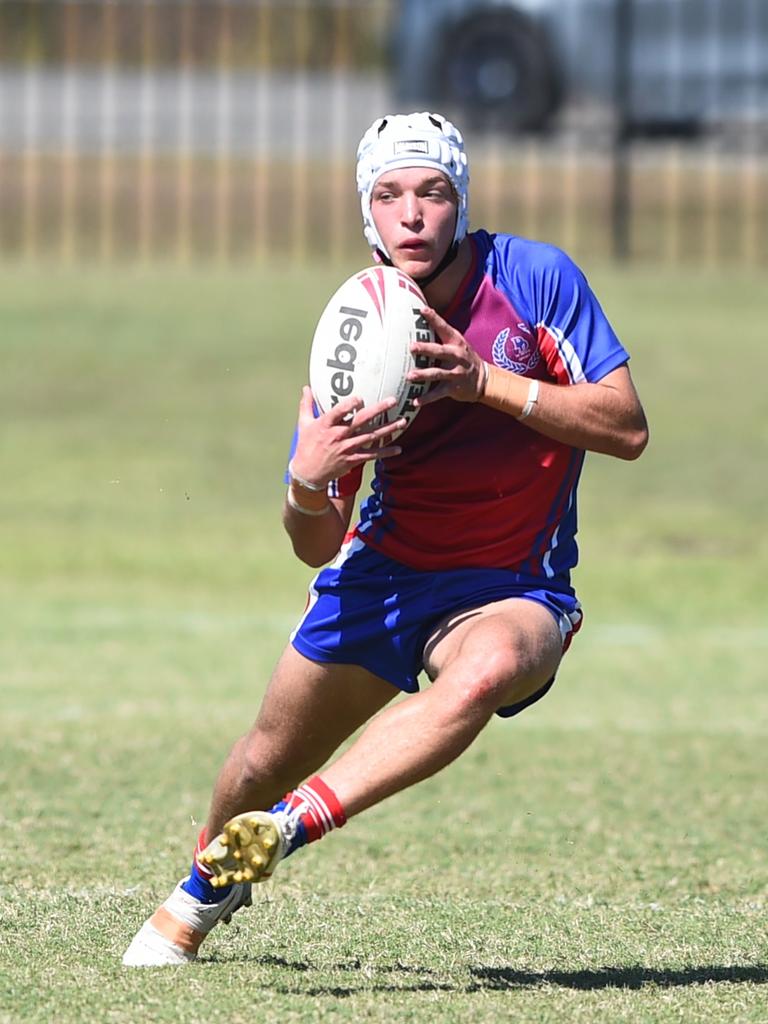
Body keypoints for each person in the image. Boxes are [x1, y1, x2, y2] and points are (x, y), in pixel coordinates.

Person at [123, 112, 648, 966]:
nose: (413, 214)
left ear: (460, 204)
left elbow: (625, 426)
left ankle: (291, 826)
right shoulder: (359, 327)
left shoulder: (533, 280)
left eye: (433, 193)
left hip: (513, 586)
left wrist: (487, 384)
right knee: (260, 761)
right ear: (367, 213)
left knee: (487, 671)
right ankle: (201, 890)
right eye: (390, 195)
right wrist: (304, 479)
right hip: (386, 577)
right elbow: (314, 538)